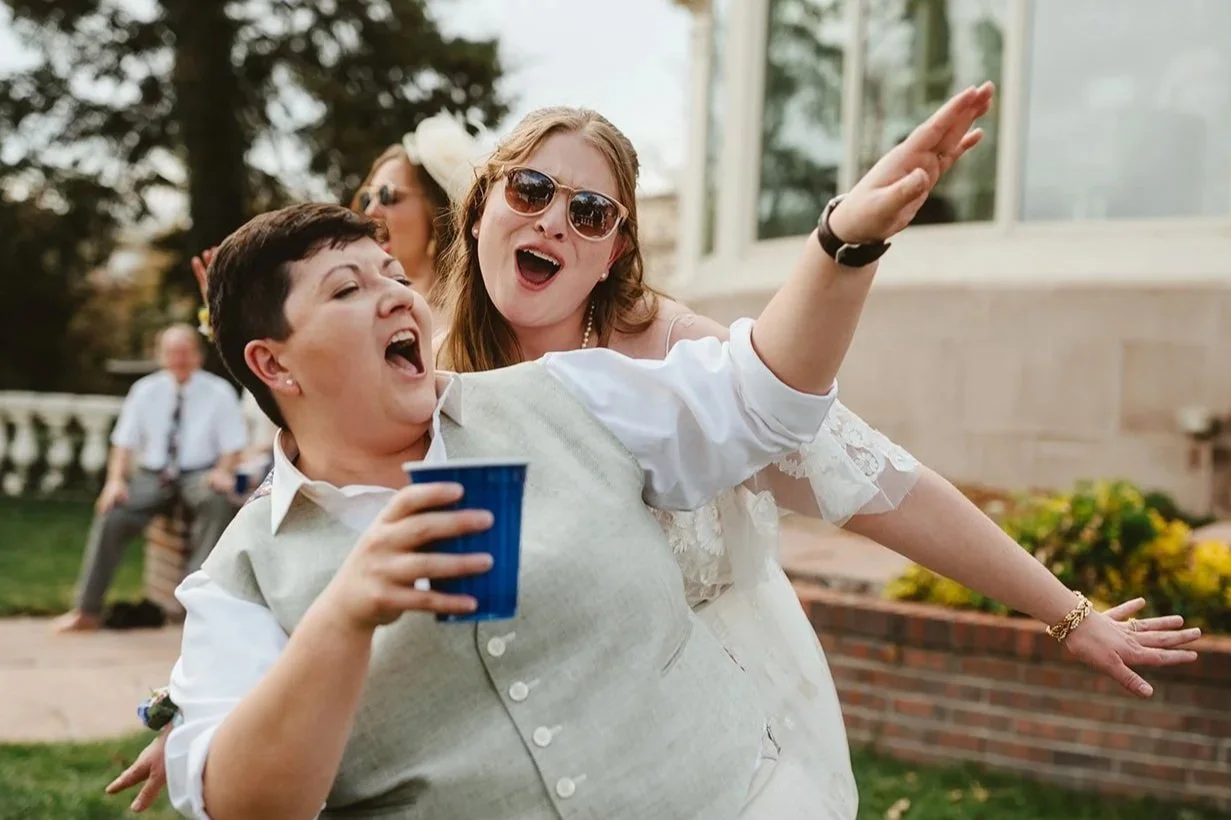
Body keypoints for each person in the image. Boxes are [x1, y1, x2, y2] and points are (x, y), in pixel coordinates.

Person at [110, 88, 1203, 816]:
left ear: (615, 245)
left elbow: (850, 461)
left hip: (705, 694)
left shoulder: (636, 363)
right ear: (483, 207)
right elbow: (298, 511)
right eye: (531, 192)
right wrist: (211, 723)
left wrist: (1063, 611)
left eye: (591, 212)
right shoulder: (423, 345)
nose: (555, 221)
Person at [52, 324, 248, 633]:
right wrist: (114, 481)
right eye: (172, 352)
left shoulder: (219, 391)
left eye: (185, 352)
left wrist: (223, 472)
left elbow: (233, 445)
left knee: (218, 503)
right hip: (153, 475)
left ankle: (193, 603)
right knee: (113, 515)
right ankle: (87, 609)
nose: (179, 359)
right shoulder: (145, 390)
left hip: (199, 473)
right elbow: (123, 443)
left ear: (198, 356)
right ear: (161, 356)